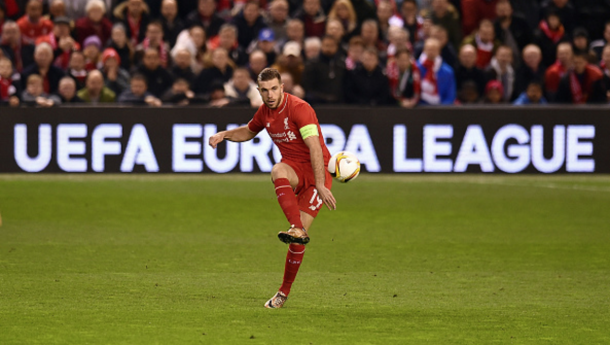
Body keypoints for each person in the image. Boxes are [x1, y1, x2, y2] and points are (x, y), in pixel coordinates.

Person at [208, 67, 336, 309]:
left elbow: (315, 148)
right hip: (294, 169)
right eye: (264, 90)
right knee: (278, 170)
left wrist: (320, 183)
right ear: (259, 91)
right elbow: (248, 131)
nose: (270, 94)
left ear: (282, 88)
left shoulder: (300, 108)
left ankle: (283, 293)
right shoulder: (264, 112)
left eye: (274, 88)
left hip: (315, 171)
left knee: (297, 243)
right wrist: (223, 135)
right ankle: (296, 227)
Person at [301, 35, 345, 104]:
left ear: (336, 47)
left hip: (339, 104)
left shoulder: (341, 64)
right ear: (321, 46)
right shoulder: (312, 64)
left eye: (332, 46)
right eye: (326, 45)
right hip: (317, 103)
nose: (329, 48)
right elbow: (307, 87)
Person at [416, 37, 456, 105]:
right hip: (419, 108)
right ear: (424, 50)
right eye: (429, 49)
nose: (431, 52)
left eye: (434, 50)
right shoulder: (416, 68)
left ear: (439, 51)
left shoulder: (448, 71)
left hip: (442, 109)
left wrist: (441, 109)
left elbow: (450, 94)